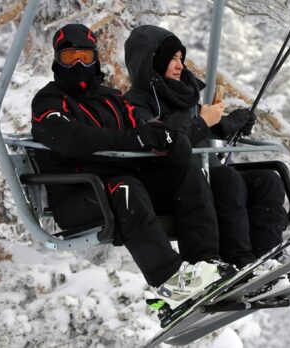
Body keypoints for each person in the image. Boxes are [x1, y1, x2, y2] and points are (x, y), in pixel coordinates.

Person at [30, 24, 233, 310]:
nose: (77, 64)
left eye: (84, 57)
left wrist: (168, 137)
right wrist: (135, 138)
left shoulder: (111, 99)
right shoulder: (49, 101)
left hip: (120, 183)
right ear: (57, 59)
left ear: (95, 59)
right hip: (79, 192)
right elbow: (70, 137)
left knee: (185, 172)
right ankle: (169, 279)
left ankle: (206, 265)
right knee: (125, 187)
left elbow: (143, 127)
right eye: (69, 57)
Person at [123, 25, 289, 271]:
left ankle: (267, 258)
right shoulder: (136, 104)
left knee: (267, 181)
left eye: (181, 58)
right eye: (171, 59)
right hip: (169, 184)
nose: (180, 65)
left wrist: (228, 125)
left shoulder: (182, 94)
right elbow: (165, 139)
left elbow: (194, 126)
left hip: (199, 175)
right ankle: (238, 260)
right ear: (152, 63)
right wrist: (203, 122)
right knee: (227, 178)